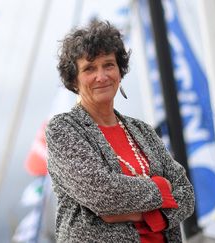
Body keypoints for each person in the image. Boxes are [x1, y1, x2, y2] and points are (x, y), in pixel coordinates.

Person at [46, 20, 195, 242]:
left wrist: (143, 214)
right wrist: (163, 189)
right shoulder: (63, 129)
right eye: (89, 68)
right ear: (74, 80)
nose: (102, 76)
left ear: (119, 70)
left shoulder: (142, 130)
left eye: (108, 65)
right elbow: (102, 193)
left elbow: (186, 194)